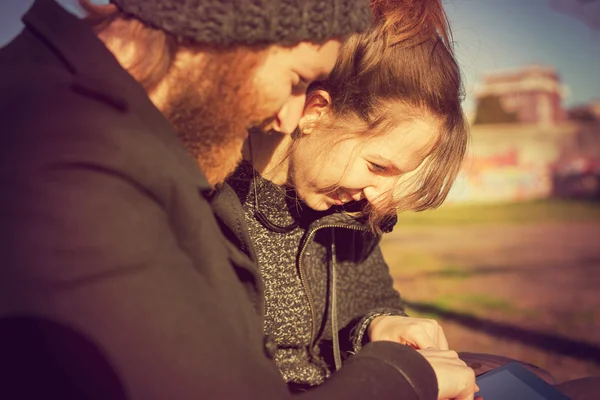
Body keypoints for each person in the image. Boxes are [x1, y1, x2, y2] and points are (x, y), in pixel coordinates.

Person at [0, 0, 474, 399]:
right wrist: (403, 376)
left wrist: (377, 327)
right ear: (227, 35)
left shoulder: (105, 133)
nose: (289, 118)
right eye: (295, 80)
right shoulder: (59, 145)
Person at [216, 0, 600, 398]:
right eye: (379, 166)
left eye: (400, 174)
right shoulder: (208, 206)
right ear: (316, 111)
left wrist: (380, 326)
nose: (381, 197)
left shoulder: (351, 208)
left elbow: (371, 300)